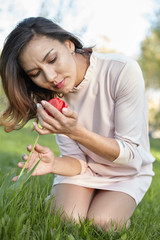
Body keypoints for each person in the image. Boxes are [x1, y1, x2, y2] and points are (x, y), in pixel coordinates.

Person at [0, 17, 155, 231]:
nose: (51, 77)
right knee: (64, 221)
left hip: (126, 171)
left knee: (102, 223)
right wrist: (53, 164)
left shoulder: (122, 71)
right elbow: (78, 163)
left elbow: (129, 154)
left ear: (68, 44)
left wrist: (75, 131)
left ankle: (112, 206)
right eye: (36, 74)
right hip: (85, 172)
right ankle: (80, 200)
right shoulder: (51, 96)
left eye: (52, 59)